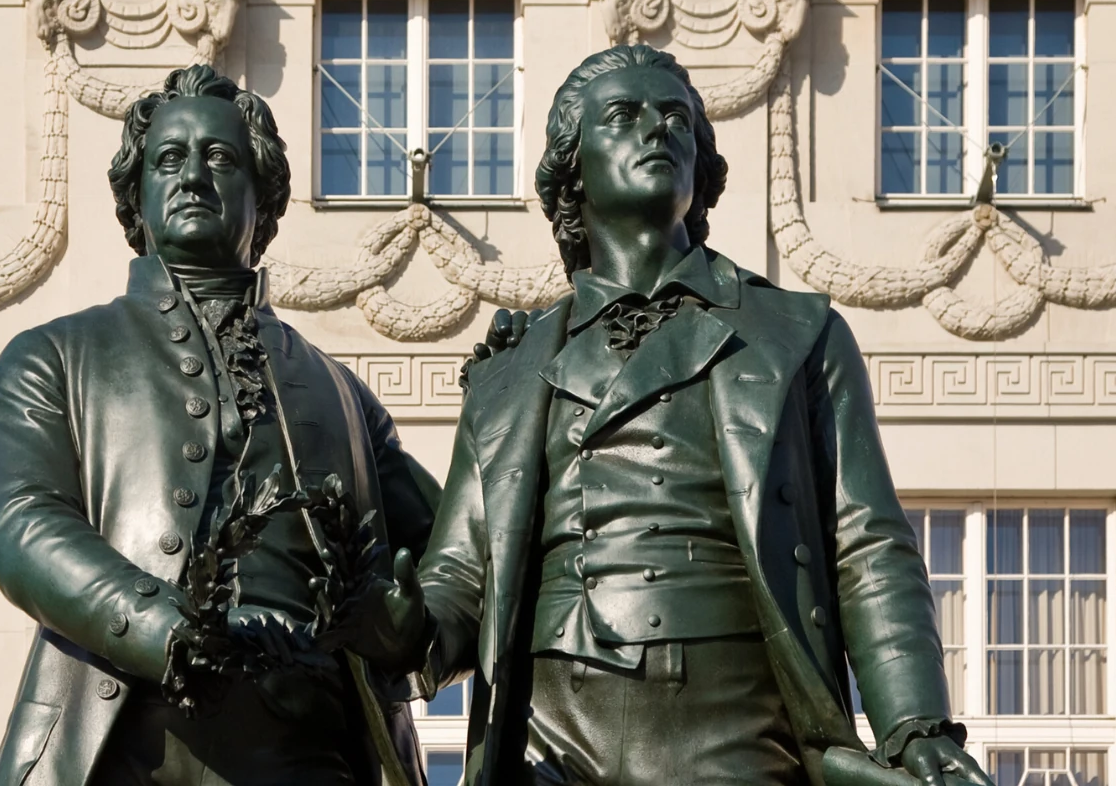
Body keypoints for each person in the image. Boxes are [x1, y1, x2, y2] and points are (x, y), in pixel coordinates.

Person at [325, 45, 993, 786]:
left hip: (733, 723)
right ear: (571, 170)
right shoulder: (508, 373)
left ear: (701, 167)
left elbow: (867, 544)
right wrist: (404, 627)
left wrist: (916, 725)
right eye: (625, 116)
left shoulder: (795, 332)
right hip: (550, 737)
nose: (659, 130)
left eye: (677, 118)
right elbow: (459, 573)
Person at [0, 64, 440, 786]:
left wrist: (406, 624)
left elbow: (454, 559)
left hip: (314, 748)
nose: (193, 175)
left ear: (264, 194)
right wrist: (162, 630)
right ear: (137, 195)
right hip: (127, 741)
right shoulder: (54, 357)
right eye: (169, 159)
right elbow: (27, 530)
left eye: (220, 157)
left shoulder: (345, 397)